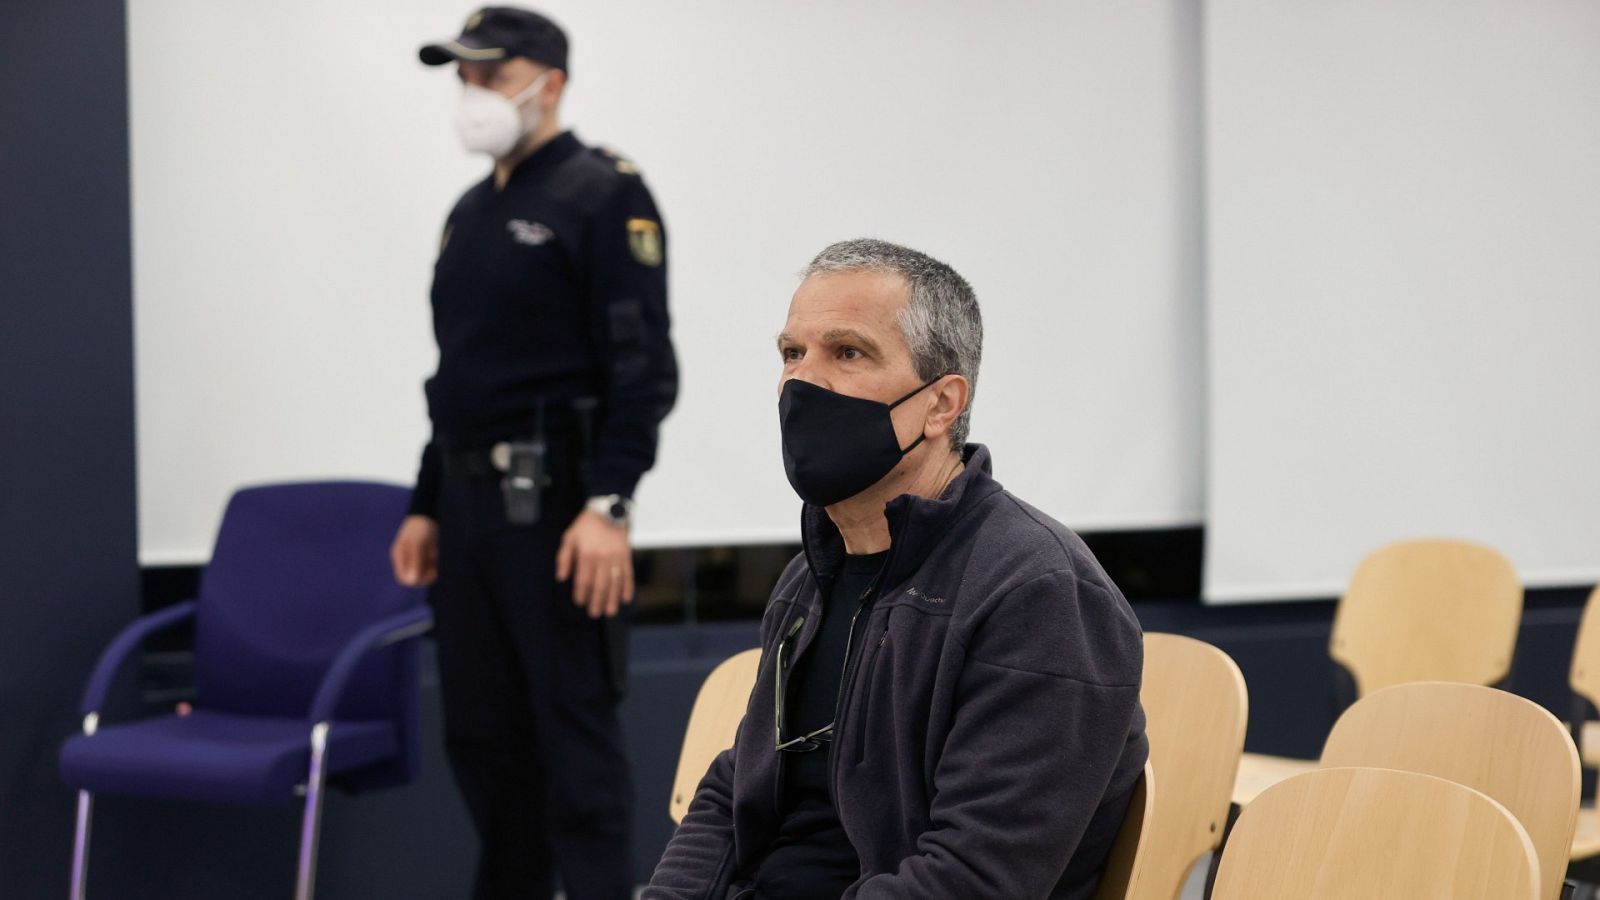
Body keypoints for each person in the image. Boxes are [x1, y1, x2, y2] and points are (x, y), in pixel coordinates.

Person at [647, 239, 1146, 900]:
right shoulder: (812, 576)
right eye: (792, 353)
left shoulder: (1040, 595)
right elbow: (734, 793)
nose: (802, 380)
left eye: (847, 353)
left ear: (941, 405)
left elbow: (972, 878)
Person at [390, 8, 677, 899]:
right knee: (481, 740)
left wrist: (610, 504)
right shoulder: (469, 214)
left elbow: (643, 371)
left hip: (557, 513)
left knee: (572, 745)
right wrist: (427, 501)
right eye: (462, 76)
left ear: (546, 82)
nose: (470, 92)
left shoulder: (603, 194)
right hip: (471, 521)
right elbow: (458, 379)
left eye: (487, 73)